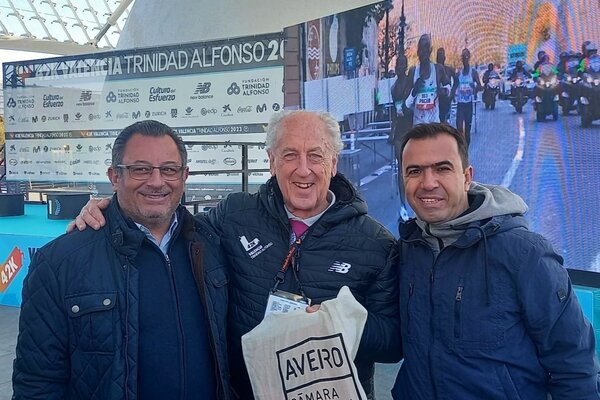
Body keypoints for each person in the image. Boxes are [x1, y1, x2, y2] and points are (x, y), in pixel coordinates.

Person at [70, 110, 401, 399]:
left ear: (334, 163)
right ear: (271, 161)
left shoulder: (375, 243)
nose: (303, 170)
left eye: (315, 155)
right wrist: (112, 210)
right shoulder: (235, 214)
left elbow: (392, 342)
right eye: (289, 155)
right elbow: (170, 224)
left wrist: (338, 322)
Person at [13, 120, 231, 399]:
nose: (157, 182)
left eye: (169, 169)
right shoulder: (59, 262)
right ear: (115, 177)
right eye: (140, 169)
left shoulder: (214, 244)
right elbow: (37, 383)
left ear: (184, 176)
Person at [392, 122, 600, 399]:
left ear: (467, 176)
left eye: (442, 168)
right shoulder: (407, 250)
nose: (428, 183)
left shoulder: (526, 253)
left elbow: (574, 363)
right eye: (415, 171)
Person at [405, 34, 451, 125]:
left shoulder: (438, 69)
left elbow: (448, 86)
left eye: (426, 48)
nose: (423, 52)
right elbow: (406, 105)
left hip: (434, 124)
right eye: (421, 49)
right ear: (418, 52)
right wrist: (414, 91)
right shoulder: (413, 71)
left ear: (430, 50)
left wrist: (445, 91)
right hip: (419, 125)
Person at [390, 53, 413, 219]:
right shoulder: (393, 88)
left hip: (412, 127)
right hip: (400, 130)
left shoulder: (411, 83)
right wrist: (392, 131)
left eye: (402, 64)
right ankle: (403, 205)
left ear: (406, 66)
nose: (400, 67)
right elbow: (394, 111)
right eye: (398, 64)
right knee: (401, 167)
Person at [450, 48, 481, 147]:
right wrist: (451, 96)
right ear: (461, 59)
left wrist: (475, 88)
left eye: (466, 57)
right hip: (460, 104)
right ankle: (461, 147)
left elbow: (480, 86)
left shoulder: (473, 72)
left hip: (469, 104)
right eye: (463, 57)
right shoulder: (458, 73)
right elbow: (454, 86)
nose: (465, 59)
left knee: (467, 130)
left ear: (469, 58)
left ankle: (466, 149)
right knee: (459, 128)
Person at [436, 47, 455, 123]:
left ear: (444, 58)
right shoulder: (434, 69)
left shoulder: (449, 69)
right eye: (438, 56)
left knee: (445, 120)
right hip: (437, 100)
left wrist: (452, 92)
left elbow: (457, 81)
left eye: (442, 56)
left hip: (446, 100)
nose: (440, 58)